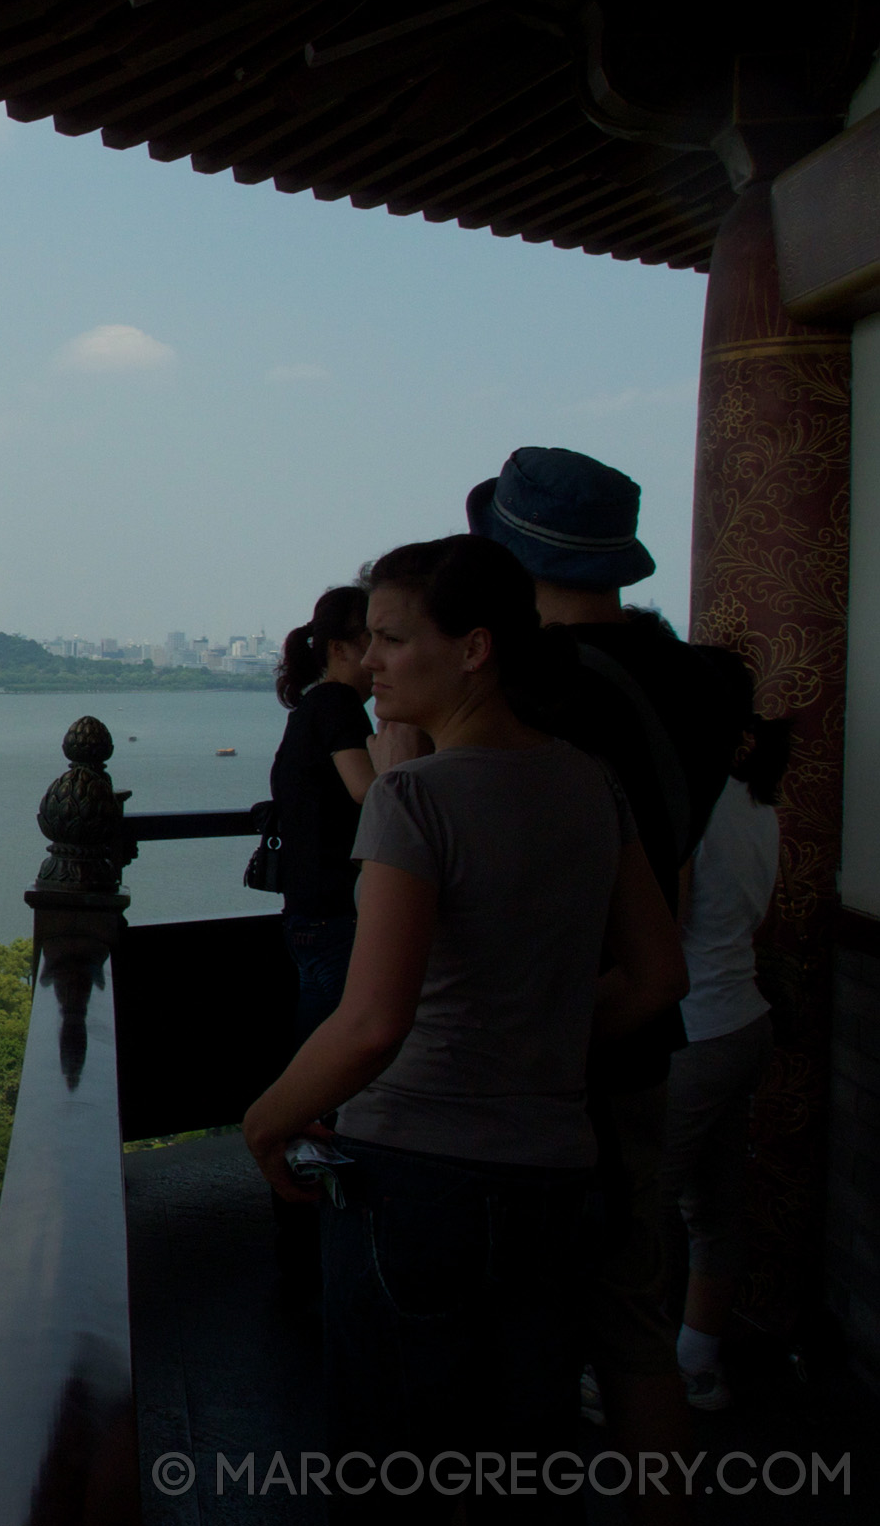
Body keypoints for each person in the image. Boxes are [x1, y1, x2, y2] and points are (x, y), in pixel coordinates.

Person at [241, 535, 685, 1518]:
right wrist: (538, 1036)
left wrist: (265, 1119)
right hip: (558, 1172)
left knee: (392, 1461)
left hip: (417, 1178)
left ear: (475, 647)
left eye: (396, 639)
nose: (373, 661)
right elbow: (658, 976)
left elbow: (371, 1022)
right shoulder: (587, 782)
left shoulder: (414, 797)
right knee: (518, 1457)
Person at [462, 446, 746, 1491]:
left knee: (499, 1314)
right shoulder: (699, 677)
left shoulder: (544, 688)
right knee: (632, 1315)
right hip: (644, 1014)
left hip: (528, 1029)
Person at [661, 698, 790, 1412]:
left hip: (695, 1031)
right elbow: (759, 919)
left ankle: (628, 1372)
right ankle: (699, 1365)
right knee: (715, 1208)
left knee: (636, 1210)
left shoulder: (694, 806)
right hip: (744, 1021)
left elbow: (665, 928)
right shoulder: (759, 805)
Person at [269, 585, 378, 1042]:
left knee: (317, 1041)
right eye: (375, 639)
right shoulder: (339, 703)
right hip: (337, 911)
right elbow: (365, 790)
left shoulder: (310, 707)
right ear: (339, 649)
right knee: (344, 1047)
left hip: (305, 911)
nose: (379, 657)